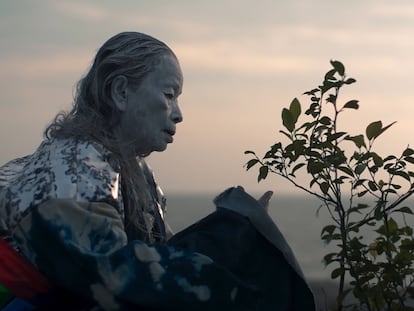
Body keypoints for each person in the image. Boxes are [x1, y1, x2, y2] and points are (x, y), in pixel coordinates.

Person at [0, 32, 315, 310]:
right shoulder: (69, 168)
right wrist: (231, 241)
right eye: (169, 95)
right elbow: (112, 281)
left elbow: (158, 252)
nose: (178, 114)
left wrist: (241, 230)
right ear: (121, 92)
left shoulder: (133, 170)